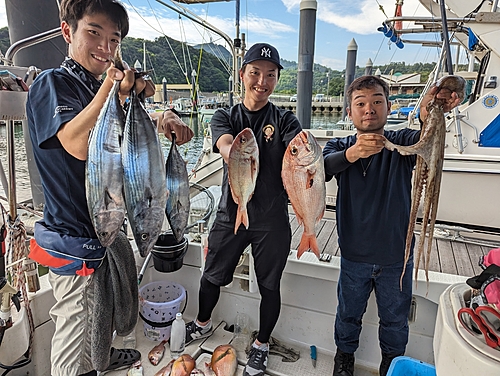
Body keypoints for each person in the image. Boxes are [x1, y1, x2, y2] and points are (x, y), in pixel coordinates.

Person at [26, 1, 193, 375]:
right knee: (76, 329)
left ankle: (101, 359)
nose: (105, 46)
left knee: (99, 322)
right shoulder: (50, 84)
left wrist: (161, 115)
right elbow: (78, 143)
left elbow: (122, 137)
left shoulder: (95, 90)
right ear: (68, 32)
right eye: (94, 33)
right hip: (72, 240)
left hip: (103, 228)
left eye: (113, 39)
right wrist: (112, 86)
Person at [322, 75, 461, 376]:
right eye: (360, 104)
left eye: (376, 102)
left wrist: (433, 108)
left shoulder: (402, 141)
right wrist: (352, 154)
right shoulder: (339, 145)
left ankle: (392, 365)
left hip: (396, 257)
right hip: (354, 256)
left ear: (388, 108)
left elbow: (427, 133)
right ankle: (344, 359)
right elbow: (322, 169)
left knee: (395, 320)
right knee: (348, 314)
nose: (368, 109)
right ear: (349, 112)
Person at [184, 43, 302, 376]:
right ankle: (203, 322)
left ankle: (261, 344)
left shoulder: (284, 119)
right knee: (210, 276)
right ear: (242, 75)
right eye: (255, 73)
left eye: (270, 75)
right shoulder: (226, 115)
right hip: (231, 212)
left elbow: (297, 146)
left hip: (272, 217)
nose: (262, 81)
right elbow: (221, 141)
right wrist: (231, 149)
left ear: (277, 79)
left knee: (270, 286)